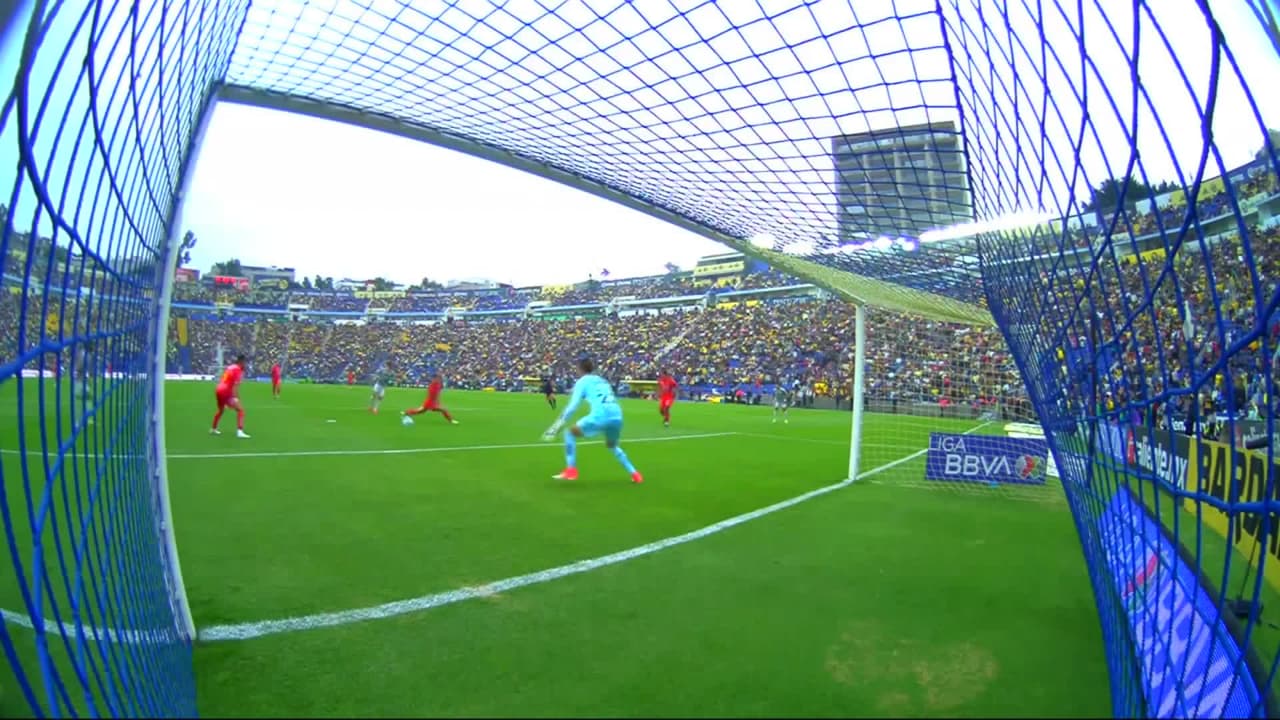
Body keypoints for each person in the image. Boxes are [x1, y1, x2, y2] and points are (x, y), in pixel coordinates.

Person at [542, 357, 642, 484]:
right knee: (612, 445)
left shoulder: (582, 381)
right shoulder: (602, 380)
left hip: (601, 415)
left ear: (579, 369)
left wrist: (558, 424)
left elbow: (573, 406)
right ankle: (635, 474)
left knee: (569, 433)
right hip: (616, 415)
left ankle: (571, 470)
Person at [212, 355, 250, 438]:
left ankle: (213, 429)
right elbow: (235, 386)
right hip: (226, 392)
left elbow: (224, 379)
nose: (245, 364)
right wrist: (236, 397)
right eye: (245, 362)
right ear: (241, 362)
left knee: (221, 410)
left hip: (219, 389)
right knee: (240, 410)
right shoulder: (238, 369)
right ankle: (240, 432)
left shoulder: (230, 367)